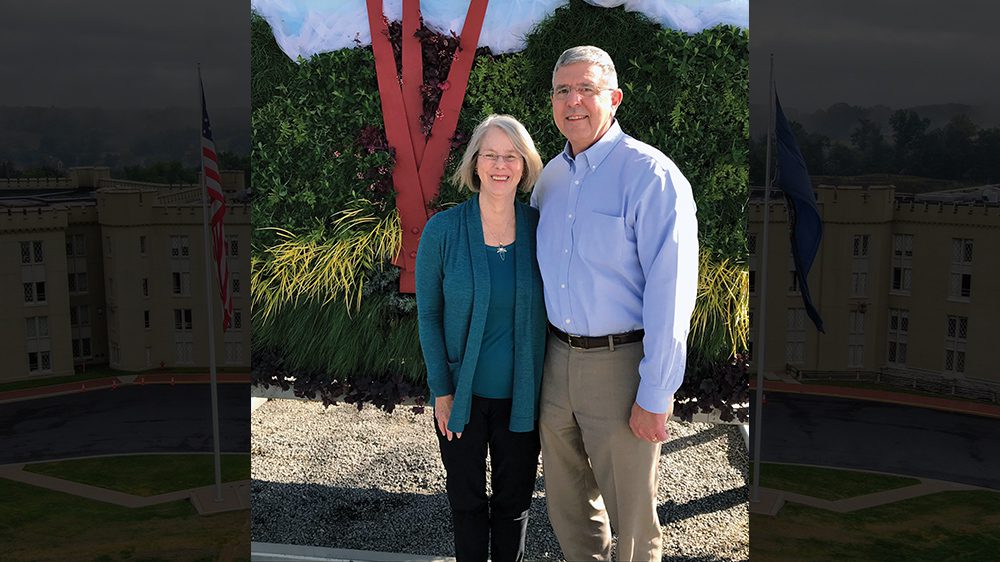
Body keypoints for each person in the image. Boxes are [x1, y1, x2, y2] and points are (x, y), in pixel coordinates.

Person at [529, 46, 699, 561]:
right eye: (562, 90)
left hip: (622, 365)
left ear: (615, 98)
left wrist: (656, 392)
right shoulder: (548, 179)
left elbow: (672, 294)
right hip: (556, 362)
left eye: (587, 89)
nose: (573, 101)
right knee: (567, 505)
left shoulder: (651, 176)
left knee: (634, 521)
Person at [415, 114, 548, 562]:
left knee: (514, 505)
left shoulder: (539, 228)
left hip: (523, 400)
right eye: (490, 154)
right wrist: (441, 390)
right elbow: (429, 314)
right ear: (474, 164)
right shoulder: (444, 230)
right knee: (467, 504)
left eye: (511, 156)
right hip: (463, 400)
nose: (500, 165)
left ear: (525, 166)